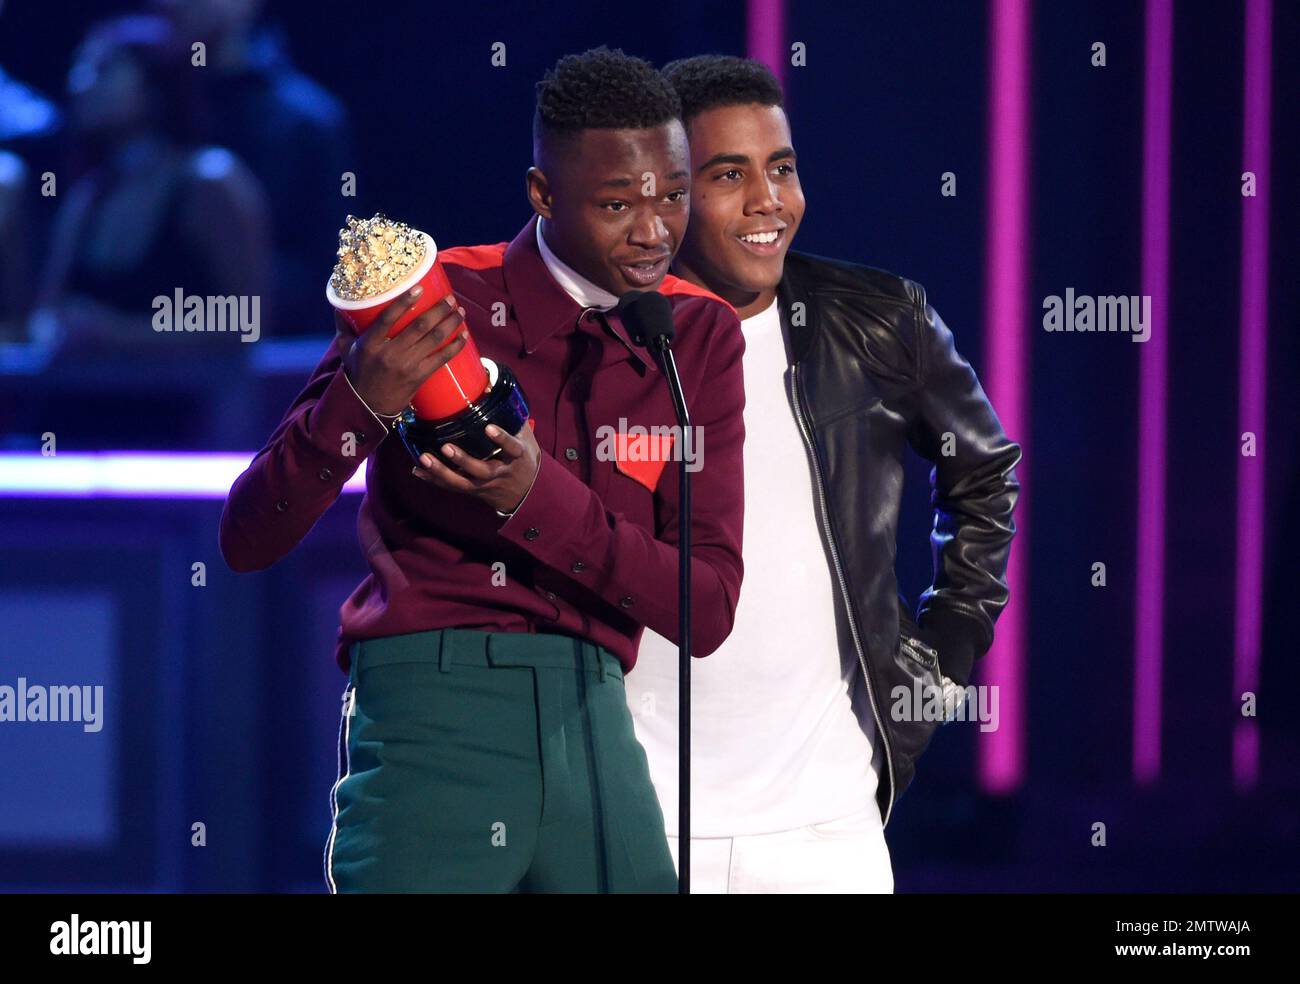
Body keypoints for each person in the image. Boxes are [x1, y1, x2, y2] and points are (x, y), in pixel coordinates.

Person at [218, 47, 746, 893]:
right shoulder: (438, 300)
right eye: (617, 204)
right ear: (542, 195)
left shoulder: (699, 336)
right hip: (433, 708)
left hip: (596, 713)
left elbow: (707, 605)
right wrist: (360, 397)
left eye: (674, 197)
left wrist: (533, 497)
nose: (654, 232)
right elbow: (250, 534)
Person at [625, 55, 1021, 893]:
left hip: (822, 830)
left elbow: (984, 475)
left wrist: (939, 664)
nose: (769, 201)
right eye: (728, 175)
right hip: (636, 818)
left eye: (783, 168)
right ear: (667, 195)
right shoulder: (601, 338)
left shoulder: (878, 322)